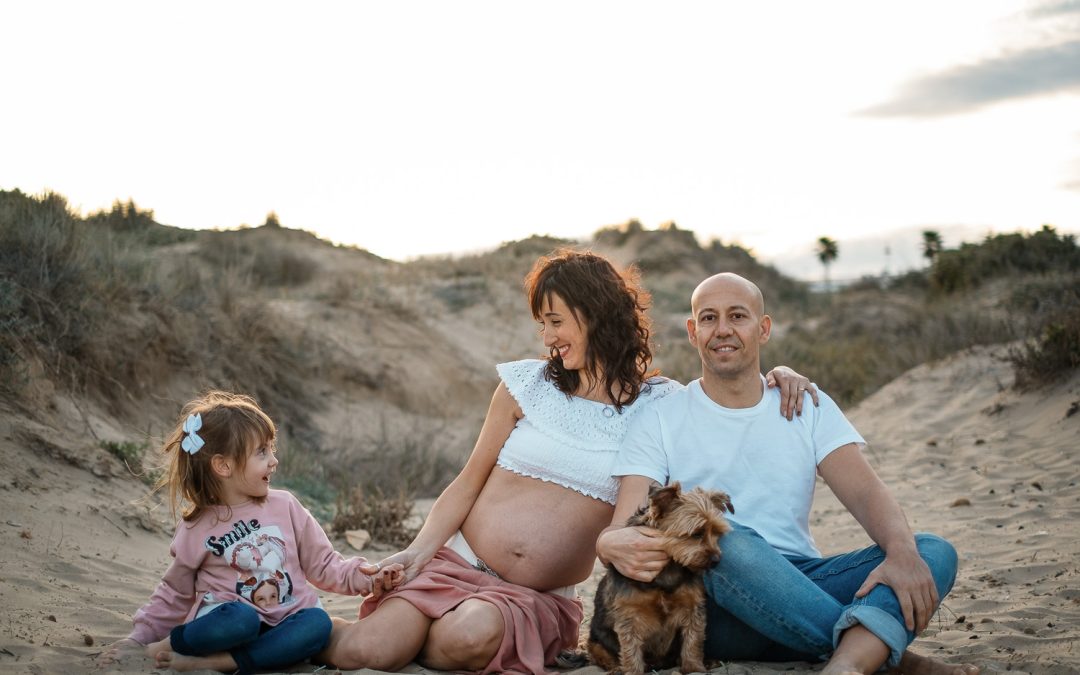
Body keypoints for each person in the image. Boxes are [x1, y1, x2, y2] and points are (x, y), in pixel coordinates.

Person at [319, 251, 815, 674]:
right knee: (367, 648)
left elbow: (725, 392)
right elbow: (468, 483)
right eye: (543, 324)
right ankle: (288, 626)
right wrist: (417, 552)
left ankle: (418, 636)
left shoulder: (661, 405)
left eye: (556, 322)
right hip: (458, 563)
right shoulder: (525, 384)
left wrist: (779, 375)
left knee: (467, 636)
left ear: (595, 314)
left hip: (532, 597)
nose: (547, 337)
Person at [598, 273, 979, 675]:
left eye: (738, 316)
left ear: (763, 329)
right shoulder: (661, 417)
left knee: (932, 551)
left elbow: (867, 493)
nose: (722, 329)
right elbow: (625, 525)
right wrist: (609, 541)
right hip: (712, 607)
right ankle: (880, 659)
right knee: (725, 537)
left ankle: (850, 661)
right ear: (693, 332)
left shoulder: (806, 404)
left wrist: (902, 553)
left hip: (804, 582)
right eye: (709, 318)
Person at [97, 391, 402, 674]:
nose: (274, 460)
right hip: (229, 627)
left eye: (272, 449)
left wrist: (367, 577)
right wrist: (138, 640)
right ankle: (171, 647)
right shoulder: (197, 527)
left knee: (317, 623)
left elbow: (324, 564)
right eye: (261, 452)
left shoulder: (285, 505)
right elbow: (174, 594)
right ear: (224, 466)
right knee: (239, 620)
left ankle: (224, 664)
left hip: (285, 622)